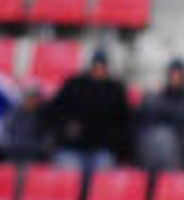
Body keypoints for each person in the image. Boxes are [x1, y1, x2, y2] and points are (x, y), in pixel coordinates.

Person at [44, 49, 133, 179]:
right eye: (96, 65)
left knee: (102, 181)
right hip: (71, 147)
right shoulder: (74, 84)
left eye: (102, 66)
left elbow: (124, 121)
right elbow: (54, 111)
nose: (99, 69)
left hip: (102, 149)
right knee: (67, 179)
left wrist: (116, 147)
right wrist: (65, 127)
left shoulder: (115, 89)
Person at [133, 58, 184, 171]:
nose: (175, 78)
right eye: (173, 74)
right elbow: (137, 132)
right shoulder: (153, 104)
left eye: (179, 75)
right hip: (150, 160)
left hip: (183, 161)